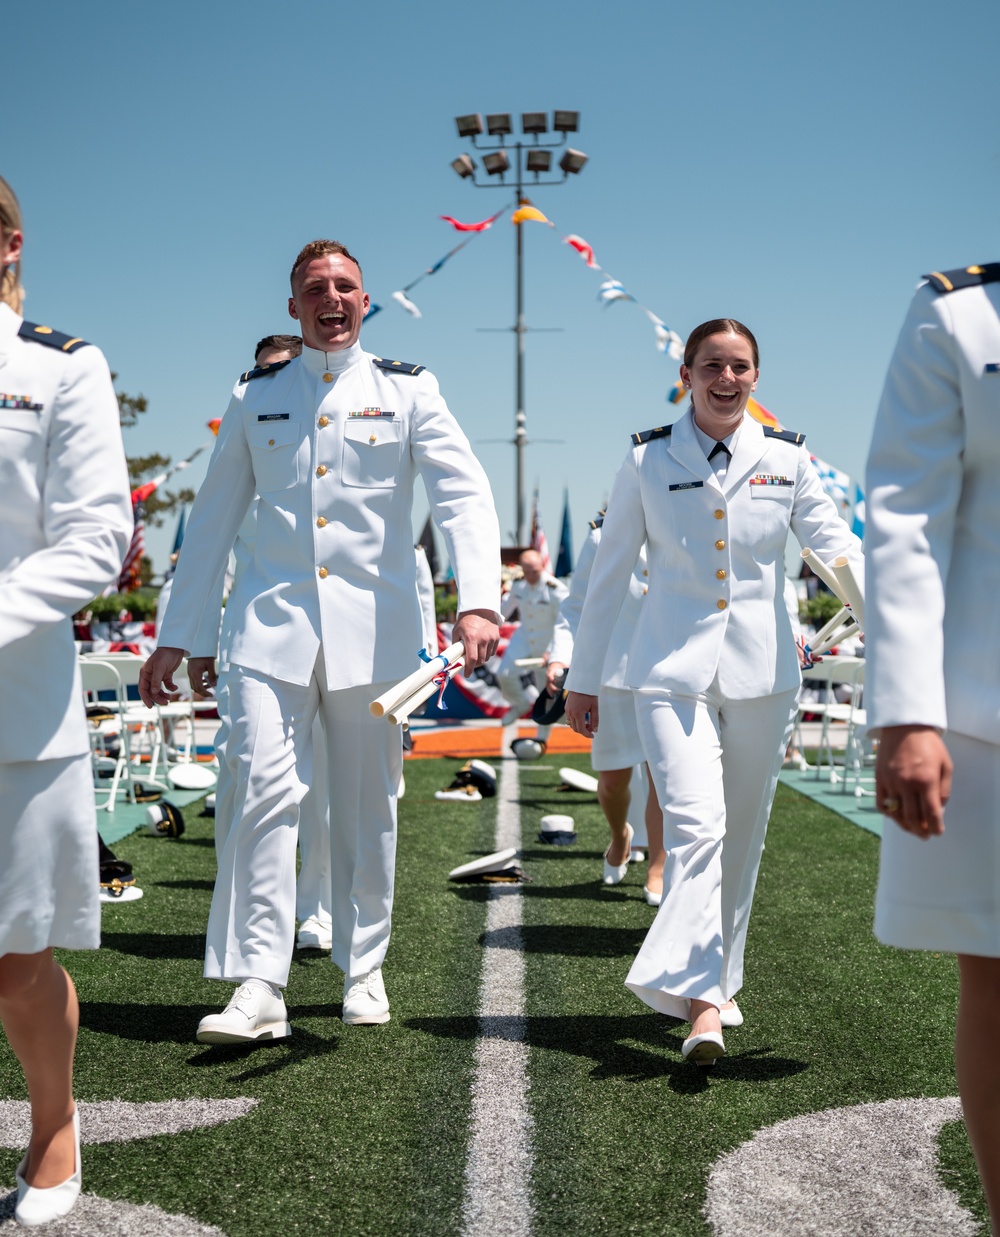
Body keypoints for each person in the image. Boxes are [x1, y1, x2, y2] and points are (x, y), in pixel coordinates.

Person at [141, 239, 500, 1039]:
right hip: (268, 634)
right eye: (315, 288)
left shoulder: (409, 389)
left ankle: (362, 968)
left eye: (345, 286)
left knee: (367, 806)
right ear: (294, 306)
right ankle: (259, 983)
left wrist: (477, 600)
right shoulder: (255, 394)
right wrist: (178, 634)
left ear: (365, 300)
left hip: (376, 641)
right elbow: (210, 525)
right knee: (259, 794)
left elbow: (463, 493)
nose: (331, 299)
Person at [565, 318, 863, 1065]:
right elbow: (606, 579)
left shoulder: (789, 459)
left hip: (763, 676)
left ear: (756, 376)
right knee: (699, 828)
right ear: (686, 372)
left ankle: (720, 978)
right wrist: (585, 678)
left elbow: (833, 545)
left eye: (740, 367)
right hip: (668, 675)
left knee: (743, 839)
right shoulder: (645, 458)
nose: (726, 380)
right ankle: (702, 1005)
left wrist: (894, 597)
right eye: (712, 366)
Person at [0, 175, 132, 1225]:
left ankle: (53, 1122)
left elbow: (95, 538)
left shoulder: (59, 366)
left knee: (13, 960)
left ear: (9, 243)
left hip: (14, 705)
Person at [865, 260, 1000, 1232]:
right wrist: (906, 711)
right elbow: (905, 517)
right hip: (985, 709)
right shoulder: (958, 313)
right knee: (995, 974)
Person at [185, 333, 335, 955]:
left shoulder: (331, 458)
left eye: (287, 368)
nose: (277, 382)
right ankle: (249, 918)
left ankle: (321, 910)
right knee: (244, 781)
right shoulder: (243, 443)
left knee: (324, 790)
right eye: (265, 371)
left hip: (336, 649)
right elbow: (204, 555)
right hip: (256, 646)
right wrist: (192, 642)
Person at [546, 513, 664, 898]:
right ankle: (620, 837)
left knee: (663, 781)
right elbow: (577, 605)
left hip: (666, 675)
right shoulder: (602, 536)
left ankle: (659, 865)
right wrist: (561, 659)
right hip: (612, 678)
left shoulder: (684, 518)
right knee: (613, 784)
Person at [497, 549, 569, 737]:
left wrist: (553, 652)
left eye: (534, 572)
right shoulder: (519, 585)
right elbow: (504, 610)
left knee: (545, 692)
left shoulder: (556, 589)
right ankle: (520, 705)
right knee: (504, 674)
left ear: (543, 567)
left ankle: (541, 739)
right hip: (524, 639)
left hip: (548, 643)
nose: (530, 576)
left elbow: (566, 622)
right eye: (526, 572)